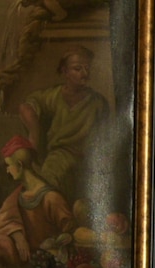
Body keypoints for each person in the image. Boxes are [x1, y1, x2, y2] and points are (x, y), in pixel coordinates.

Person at [20, 45, 110, 205]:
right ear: (65, 71)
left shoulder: (98, 103)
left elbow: (104, 139)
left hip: (87, 159)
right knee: (42, 189)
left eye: (87, 68)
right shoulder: (53, 96)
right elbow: (27, 106)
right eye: (77, 68)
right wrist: (34, 134)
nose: (84, 73)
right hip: (59, 156)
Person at [0, 134, 72, 268]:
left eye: (9, 165)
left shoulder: (51, 198)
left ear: (20, 166)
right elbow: (1, 221)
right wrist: (18, 235)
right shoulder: (18, 195)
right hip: (25, 263)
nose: (7, 170)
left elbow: (70, 233)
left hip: (50, 265)